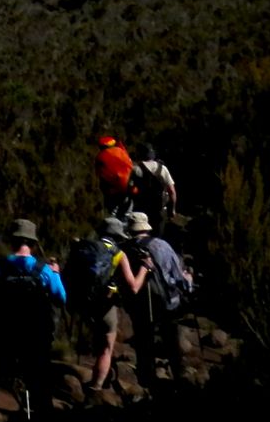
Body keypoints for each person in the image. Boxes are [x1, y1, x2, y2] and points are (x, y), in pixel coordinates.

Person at [0, 219, 67, 422]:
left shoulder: (0, 266)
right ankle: (43, 421)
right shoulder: (44, 269)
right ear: (34, 243)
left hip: (7, 332)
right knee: (39, 380)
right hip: (37, 335)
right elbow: (61, 297)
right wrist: (56, 274)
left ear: (12, 241)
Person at [120, 210, 194, 392]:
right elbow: (178, 277)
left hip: (138, 304)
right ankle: (179, 379)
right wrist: (189, 282)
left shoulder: (123, 249)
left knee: (143, 343)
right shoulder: (161, 246)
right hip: (166, 303)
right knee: (171, 341)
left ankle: (147, 383)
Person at [77, 216, 129, 402]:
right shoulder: (118, 254)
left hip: (84, 303)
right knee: (106, 348)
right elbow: (132, 285)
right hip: (106, 305)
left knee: (98, 341)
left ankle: (98, 376)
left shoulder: (86, 247)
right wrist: (145, 269)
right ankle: (95, 388)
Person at [130, 143, 178, 234]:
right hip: (159, 208)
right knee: (157, 234)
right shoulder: (162, 168)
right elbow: (172, 191)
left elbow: (130, 189)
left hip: (142, 208)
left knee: (141, 234)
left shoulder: (136, 169)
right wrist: (172, 210)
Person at [94, 135, 135, 217]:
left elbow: (100, 175)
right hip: (128, 187)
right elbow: (131, 166)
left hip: (113, 190)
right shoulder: (121, 151)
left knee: (113, 212)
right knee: (127, 211)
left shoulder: (100, 157)